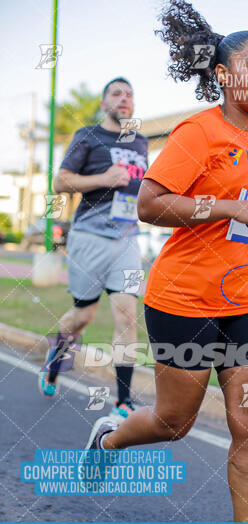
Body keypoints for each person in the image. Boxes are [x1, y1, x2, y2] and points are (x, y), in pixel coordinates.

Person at [84, 1, 248, 524]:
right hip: (184, 299)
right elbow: (151, 204)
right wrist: (228, 207)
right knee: (173, 423)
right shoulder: (198, 131)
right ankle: (110, 437)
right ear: (223, 74)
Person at [39, 77, 148, 422]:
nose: (124, 99)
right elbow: (60, 182)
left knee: (127, 314)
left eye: (129, 94)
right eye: (116, 93)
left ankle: (123, 401)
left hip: (127, 239)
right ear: (103, 104)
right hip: (89, 237)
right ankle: (56, 358)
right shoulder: (88, 136)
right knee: (83, 316)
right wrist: (102, 179)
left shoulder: (141, 142)